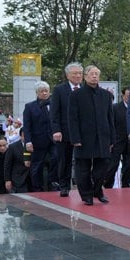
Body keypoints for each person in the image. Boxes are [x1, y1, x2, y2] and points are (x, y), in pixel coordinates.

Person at [68, 65, 114, 205]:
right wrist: (75, 138)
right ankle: (86, 195)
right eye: (91, 74)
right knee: (83, 168)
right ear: (85, 76)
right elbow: (72, 118)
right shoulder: (76, 95)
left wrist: (112, 138)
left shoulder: (106, 95)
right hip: (84, 137)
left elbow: (110, 118)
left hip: (103, 137)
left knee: (103, 166)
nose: (94, 76)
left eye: (96, 74)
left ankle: (97, 190)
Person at [51, 62, 84, 197]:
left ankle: (83, 186)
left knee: (83, 161)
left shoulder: (85, 89)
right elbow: (54, 112)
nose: (77, 76)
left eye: (80, 73)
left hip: (82, 133)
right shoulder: (60, 90)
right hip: (64, 132)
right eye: (74, 73)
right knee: (64, 160)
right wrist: (56, 130)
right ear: (67, 75)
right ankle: (64, 186)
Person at [23, 81, 57, 191]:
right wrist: (28, 141)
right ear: (37, 93)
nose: (44, 93)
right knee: (37, 165)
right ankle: (37, 187)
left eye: (46, 91)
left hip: (53, 140)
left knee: (56, 159)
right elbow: (27, 126)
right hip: (38, 140)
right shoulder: (29, 107)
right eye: (42, 91)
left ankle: (53, 183)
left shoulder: (54, 105)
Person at [105, 87, 130, 188]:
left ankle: (126, 184)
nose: (129, 98)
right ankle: (108, 184)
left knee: (128, 165)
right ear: (123, 96)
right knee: (113, 165)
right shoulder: (115, 108)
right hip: (117, 141)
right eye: (127, 96)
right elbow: (110, 124)